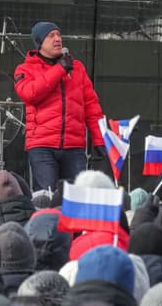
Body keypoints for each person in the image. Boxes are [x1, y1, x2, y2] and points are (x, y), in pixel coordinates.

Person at [13, 21, 104, 191]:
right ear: (39, 43)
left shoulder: (77, 68)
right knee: (46, 195)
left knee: (76, 196)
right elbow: (30, 93)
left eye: (59, 35)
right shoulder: (25, 69)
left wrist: (99, 138)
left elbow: (92, 106)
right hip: (42, 146)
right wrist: (60, 69)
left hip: (74, 147)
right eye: (51, 36)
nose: (57, 39)